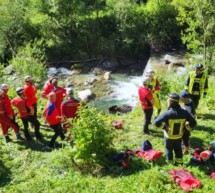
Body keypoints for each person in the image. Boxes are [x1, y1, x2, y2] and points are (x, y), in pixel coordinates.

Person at [154, 93, 197, 165]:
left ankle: (170, 163)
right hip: (179, 136)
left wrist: (164, 127)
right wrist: (186, 127)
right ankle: (179, 162)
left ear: (171, 102)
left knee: (168, 149)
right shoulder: (184, 112)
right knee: (178, 149)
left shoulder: (167, 113)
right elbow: (194, 123)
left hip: (168, 137)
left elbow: (156, 122)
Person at [179, 90, 196, 154]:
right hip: (183, 121)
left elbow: (193, 116)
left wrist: (187, 122)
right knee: (182, 134)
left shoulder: (190, 106)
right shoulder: (186, 102)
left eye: (182, 98)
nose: (180, 99)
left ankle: (186, 150)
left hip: (187, 124)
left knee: (185, 136)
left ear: (186, 98)